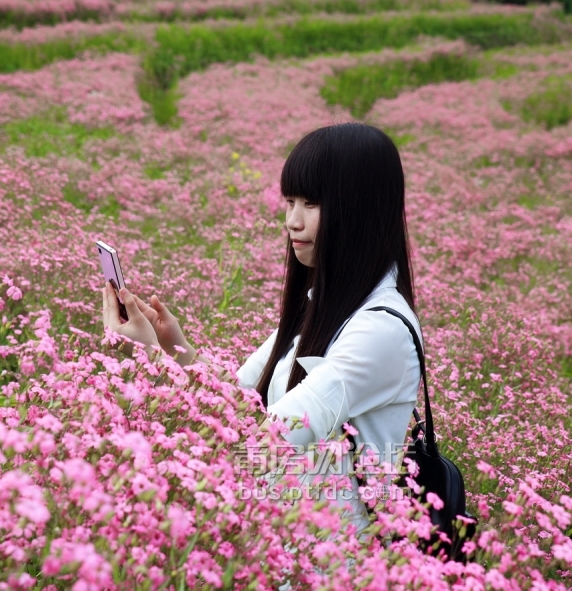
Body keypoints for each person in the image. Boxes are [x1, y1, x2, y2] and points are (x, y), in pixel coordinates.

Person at [102, 122, 423, 537]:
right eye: (289, 202)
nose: (292, 221)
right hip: (286, 547)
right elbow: (238, 403)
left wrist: (151, 363)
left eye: (311, 203)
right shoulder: (324, 309)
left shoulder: (381, 331)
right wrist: (173, 349)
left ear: (362, 212)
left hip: (336, 565)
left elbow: (265, 442)